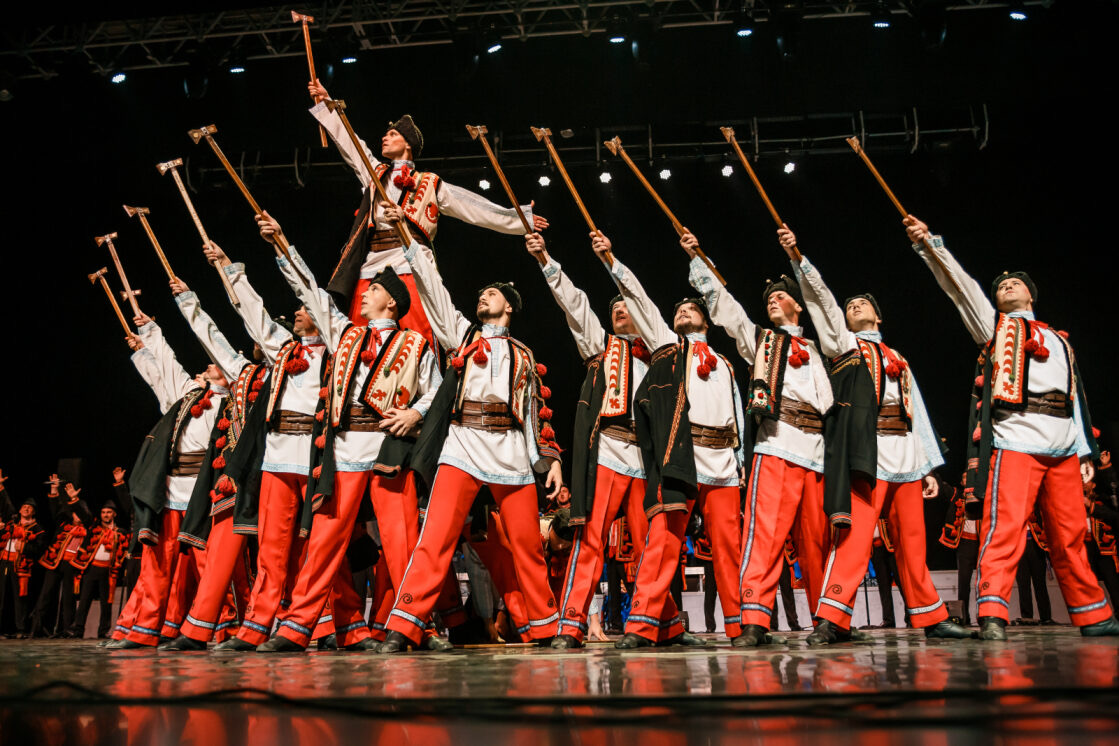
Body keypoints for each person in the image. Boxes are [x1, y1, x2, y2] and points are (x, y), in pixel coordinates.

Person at [252, 211, 458, 652]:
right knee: (324, 541)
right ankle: (295, 627)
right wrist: (281, 244)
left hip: (388, 448)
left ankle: (413, 626)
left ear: (393, 303)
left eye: (374, 290)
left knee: (402, 541)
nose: (363, 293)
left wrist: (415, 414)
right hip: (344, 448)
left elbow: (437, 392)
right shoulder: (345, 334)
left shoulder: (415, 344)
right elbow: (310, 291)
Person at [907, 215, 1119, 639]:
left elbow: (1076, 399)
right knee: (1005, 527)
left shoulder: (1060, 340)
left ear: (1031, 294)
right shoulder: (995, 327)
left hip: (1062, 440)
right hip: (1016, 437)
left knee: (1070, 534)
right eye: (1001, 285)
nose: (1006, 286)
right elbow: (961, 288)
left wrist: (1085, 451)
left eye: (1015, 283)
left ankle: (1093, 614)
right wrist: (930, 246)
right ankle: (992, 612)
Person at [777, 225, 969, 645]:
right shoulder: (844, 345)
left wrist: (928, 465)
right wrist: (798, 260)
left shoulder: (897, 357)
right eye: (850, 306)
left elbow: (916, 410)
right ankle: (833, 618)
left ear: (878, 316)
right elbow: (823, 304)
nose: (853, 307)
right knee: (855, 537)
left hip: (905, 454)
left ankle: (931, 617)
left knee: (913, 542)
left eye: (862, 304)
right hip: (868, 453)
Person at [377, 226, 563, 653]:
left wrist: (549, 459)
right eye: (480, 294)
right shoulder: (462, 336)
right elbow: (434, 289)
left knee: (526, 546)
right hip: (462, 445)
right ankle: (404, 626)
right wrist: (408, 240)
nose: (483, 297)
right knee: (435, 539)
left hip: (511, 451)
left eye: (491, 294)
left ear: (509, 307)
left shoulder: (524, 355)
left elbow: (533, 415)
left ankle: (545, 627)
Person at [593, 231, 744, 649]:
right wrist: (611, 261)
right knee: (663, 539)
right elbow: (638, 298)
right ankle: (641, 626)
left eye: (690, 308)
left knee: (729, 547)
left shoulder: (726, 364)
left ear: (706, 322)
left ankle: (742, 626)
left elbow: (738, 415)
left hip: (723, 459)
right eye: (678, 310)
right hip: (684, 455)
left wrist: (741, 461)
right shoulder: (667, 346)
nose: (682, 312)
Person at [306, 80, 549, 338]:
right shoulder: (375, 173)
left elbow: (473, 207)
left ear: (408, 144)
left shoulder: (430, 183)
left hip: (411, 265)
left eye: (392, 135)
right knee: (364, 338)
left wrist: (519, 219)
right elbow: (351, 144)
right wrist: (327, 105)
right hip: (372, 265)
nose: (384, 138)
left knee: (415, 337)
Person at [683, 231, 832, 647]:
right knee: (764, 536)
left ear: (797, 304)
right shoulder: (761, 341)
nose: (772, 300)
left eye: (781, 296)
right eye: (768, 298)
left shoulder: (819, 349)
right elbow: (727, 310)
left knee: (817, 541)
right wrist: (698, 259)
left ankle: (828, 618)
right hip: (777, 443)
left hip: (816, 450)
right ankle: (754, 619)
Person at [523, 232, 651, 649]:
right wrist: (547, 262)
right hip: (610, 449)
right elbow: (575, 303)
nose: (619, 310)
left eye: (625, 305)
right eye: (613, 308)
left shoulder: (661, 354)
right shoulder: (602, 345)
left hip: (646, 457)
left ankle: (661, 622)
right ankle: (572, 623)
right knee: (590, 537)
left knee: (651, 542)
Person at [198, 241, 328, 652]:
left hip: (314, 455)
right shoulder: (283, 351)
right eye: (297, 308)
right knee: (271, 548)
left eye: (305, 308)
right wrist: (228, 270)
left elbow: (313, 295)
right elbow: (254, 314)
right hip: (276, 456)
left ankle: (322, 626)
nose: (297, 312)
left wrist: (282, 247)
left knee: (315, 546)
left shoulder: (340, 351)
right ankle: (255, 625)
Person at [157, 274, 268, 651]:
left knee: (285, 553)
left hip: (281, 471)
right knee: (219, 553)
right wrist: (188, 300)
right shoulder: (244, 374)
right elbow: (212, 338)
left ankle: (312, 626)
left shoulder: (294, 370)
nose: (259, 342)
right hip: (238, 479)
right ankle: (198, 630)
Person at [107, 314, 231, 649]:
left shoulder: (233, 405)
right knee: (157, 561)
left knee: (207, 564)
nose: (208, 365)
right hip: (171, 489)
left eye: (215, 363)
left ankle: (221, 628)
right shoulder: (190, 394)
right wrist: (148, 333)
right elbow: (167, 366)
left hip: (202, 494)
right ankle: (144, 629)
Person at [30, 478, 90, 637]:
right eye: (75, 513)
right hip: (55, 562)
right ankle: (36, 628)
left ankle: (66, 629)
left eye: (79, 513)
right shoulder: (63, 524)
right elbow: (55, 508)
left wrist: (74, 499)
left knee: (68, 598)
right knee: (46, 595)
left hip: (72, 565)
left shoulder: (88, 528)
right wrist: (54, 491)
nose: (77, 516)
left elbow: (85, 516)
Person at [68, 498, 128, 638]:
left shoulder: (121, 532)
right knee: (84, 600)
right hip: (92, 568)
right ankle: (78, 630)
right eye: (103, 512)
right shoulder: (94, 527)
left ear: (114, 514)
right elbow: (84, 515)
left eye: (108, 512)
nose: (105, 515)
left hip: (108, 571)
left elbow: (124, 552)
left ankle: (103, 631)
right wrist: (74, 500)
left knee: (106, 603)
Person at [0, 474, 47, 638]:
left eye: (30, 508)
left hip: (21, 567)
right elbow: (6, 506)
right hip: (5, 562)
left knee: (20, 598)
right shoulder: (12, 524)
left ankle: (20, 629)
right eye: (24, 507)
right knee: (2, 596)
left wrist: (25, 547)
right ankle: (2, 628)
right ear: (19, 510)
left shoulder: (37, 529)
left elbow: (40, 549)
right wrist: (1, 488)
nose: (26, 509)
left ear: (34, 511)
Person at [940, 472, 979, 625]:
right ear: (962, 483)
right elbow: (944, 489)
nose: (967, 480)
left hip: (981, 542)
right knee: (963, 582)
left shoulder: (982, 497)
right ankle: (964, 617)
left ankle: (985, 614)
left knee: (984, 581)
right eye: (964, 478)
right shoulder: (957, 495)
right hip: (965, 544)